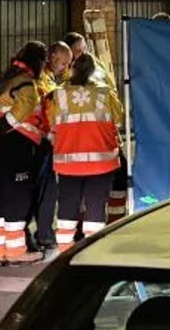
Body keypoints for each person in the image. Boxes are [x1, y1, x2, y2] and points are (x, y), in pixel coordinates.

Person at [44, 53, 124, 251]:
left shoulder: (58, 94)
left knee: (67, 208)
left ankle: (64, 252)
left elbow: (51, 123)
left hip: (68, 163)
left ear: (72, 69)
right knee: (96, 208)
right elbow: (119, 120)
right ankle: (92, 252)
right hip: (101, 162)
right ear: (94, 72)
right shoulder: (105, 94)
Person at [0, 64, 46, 266]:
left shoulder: (0, 83)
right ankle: (15, 252)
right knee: (18, 199)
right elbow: (24, 111)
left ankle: (0, 250)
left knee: (1, 197)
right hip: (15, 144)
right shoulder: (24, 84)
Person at [64, 30, 130, 222]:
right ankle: (87, 223)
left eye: (84, 49)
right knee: (87, 188)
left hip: (98, 138)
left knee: (117, 179)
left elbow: (114, 99)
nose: (84, 53)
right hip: (83, 142)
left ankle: (113, 220)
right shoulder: (65, 78)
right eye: (79, 50)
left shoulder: (95, 67)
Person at [12, 41, 60, 252]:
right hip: (33, 143)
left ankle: (41, 235)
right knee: (33, 192)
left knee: (43, 191)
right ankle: (29, 236)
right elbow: (37, 113)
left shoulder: (17, 78)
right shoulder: (31, 82)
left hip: (30, 143)